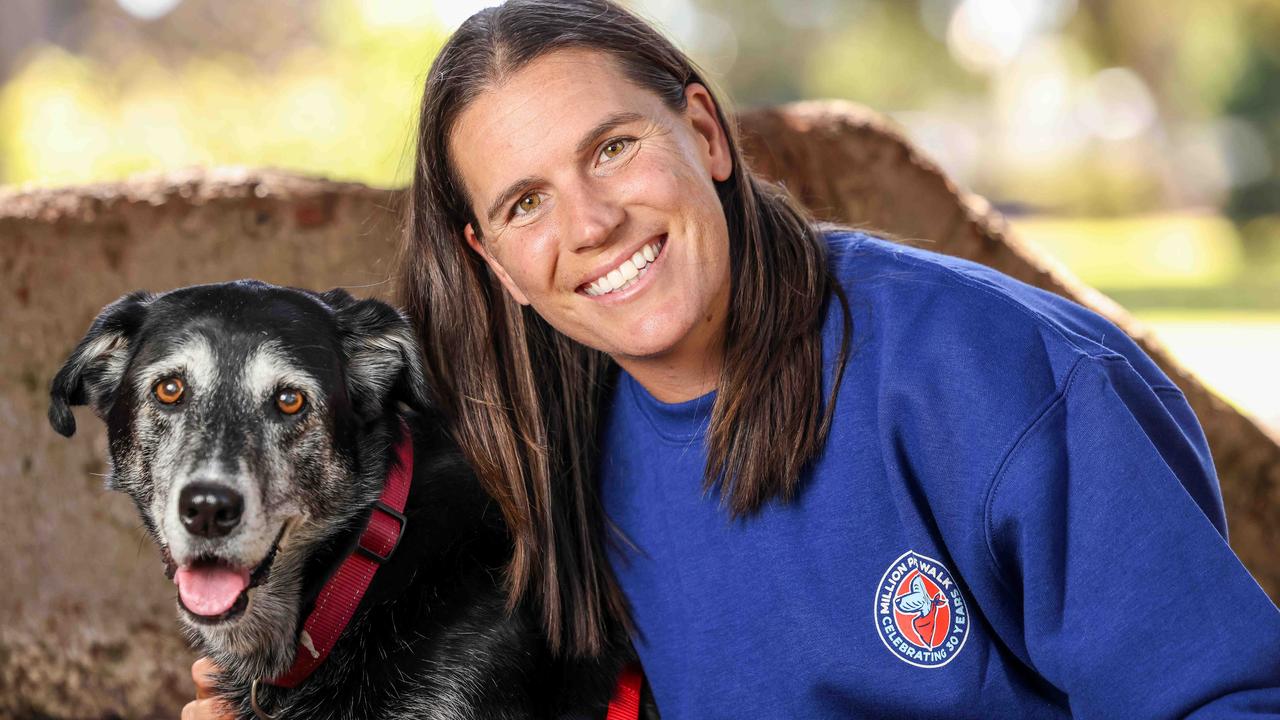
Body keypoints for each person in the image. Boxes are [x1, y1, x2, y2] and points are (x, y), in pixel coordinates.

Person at [186, 0, 1280, 717]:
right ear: (497, 265)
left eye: (612, 148)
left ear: (703, 135)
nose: (593, 222)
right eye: (526, 203)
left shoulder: (998, 379)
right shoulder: (545, 446)